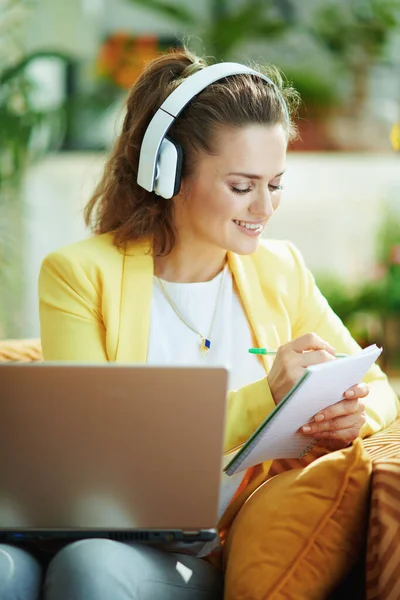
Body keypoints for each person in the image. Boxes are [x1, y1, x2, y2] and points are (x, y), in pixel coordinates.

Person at [1, 48, 398, 600]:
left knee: (92, 566)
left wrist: (350, 417)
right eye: (242, 186)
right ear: (169, 175)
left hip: (199, 549)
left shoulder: (280, 270)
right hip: (90, 522)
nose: (264, 206)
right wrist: (269, 401)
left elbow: (379, 389)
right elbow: (97, 447)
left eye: (276, 183)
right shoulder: (78, 273)